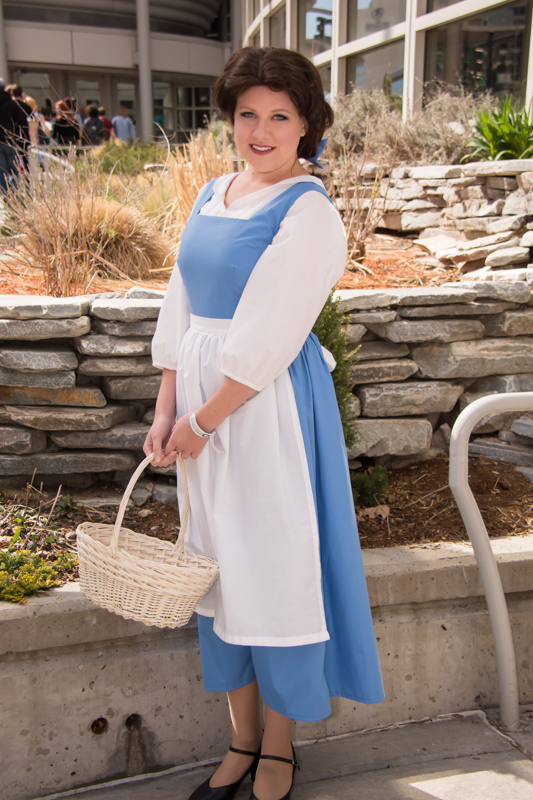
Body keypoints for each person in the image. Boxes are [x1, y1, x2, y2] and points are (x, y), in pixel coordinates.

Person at [144, 46, 384, 800]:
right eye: (247, 113)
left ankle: (277, 750)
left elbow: (271, 335)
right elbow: (179, 309)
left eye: (279, 115)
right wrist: (166, 410)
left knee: (272, 571)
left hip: (265, 410)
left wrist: (205, 420)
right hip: (203, 416)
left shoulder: (307, 212)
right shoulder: (214, 192)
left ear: (307, 126)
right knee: (215, 571)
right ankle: (240, 740)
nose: (260, 128)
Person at [0, 80, 30, 191]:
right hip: (11, 141)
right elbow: (23, 123)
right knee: (16, 170)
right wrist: (22, 139)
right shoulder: (13, 104)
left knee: (1, 171)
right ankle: (15, 191)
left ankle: (6, 194)